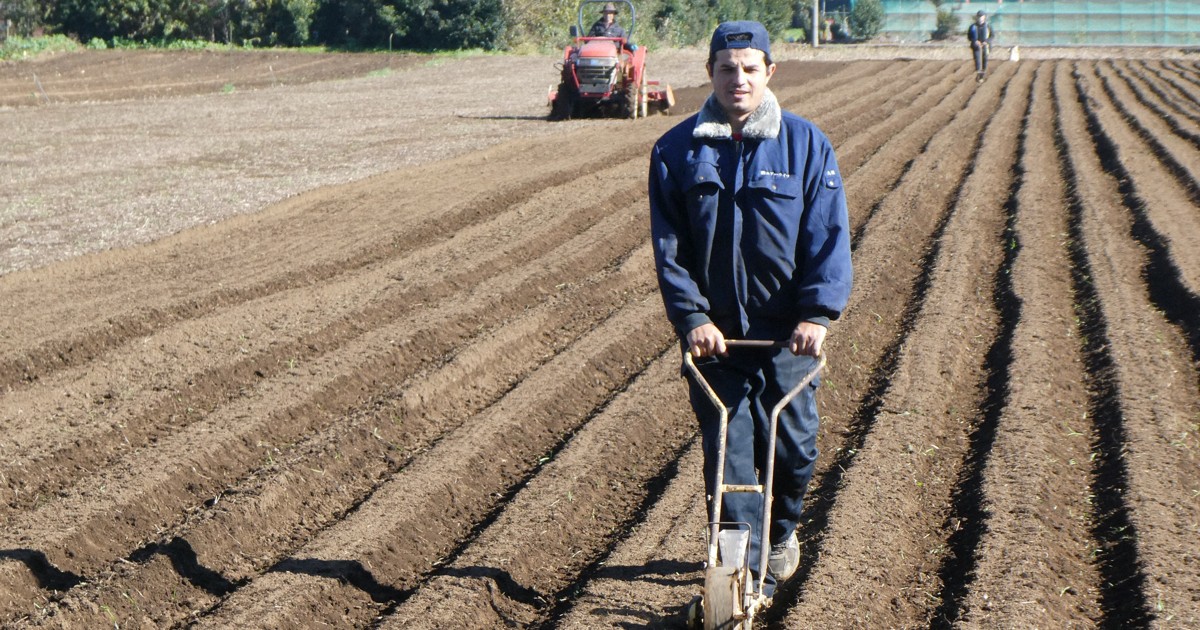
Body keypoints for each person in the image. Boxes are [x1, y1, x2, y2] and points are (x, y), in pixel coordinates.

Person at [648, 21, 852, 598]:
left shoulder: (807, 146)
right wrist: (693, 319)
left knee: (794, 450)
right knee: (731, 464)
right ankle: (743, 581)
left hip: (788, 340)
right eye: (725, 68)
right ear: (709, 72)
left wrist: (817, 316)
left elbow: (827, 238)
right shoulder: (675, 151)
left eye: (749, 68)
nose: (737, 79)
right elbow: (671, 250)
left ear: (769, 72)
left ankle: (782, 532)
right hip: (718, 343)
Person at [968, 10, 993, 83]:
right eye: (979, 16)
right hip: (976, 46)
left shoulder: (988, 26)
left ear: (984, 17)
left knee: (984, 59)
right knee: (977, 60)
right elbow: (969, 37)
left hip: (986, 46)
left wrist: (986, 41)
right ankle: (979, 76)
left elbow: (992, 36)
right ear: (976, 17)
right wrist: (975, 41)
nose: (980, 18)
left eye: (981, 16)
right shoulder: (973, 26)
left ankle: (983, 74)